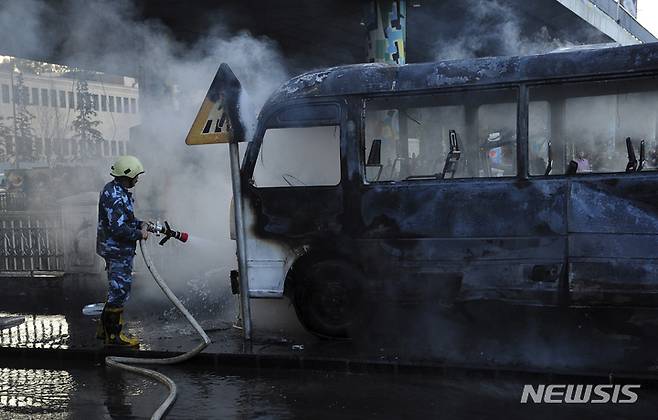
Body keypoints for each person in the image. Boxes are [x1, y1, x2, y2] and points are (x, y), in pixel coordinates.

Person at [96, 155, 149, 347]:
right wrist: (139, 233)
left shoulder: (117, 191)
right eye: (136, 176)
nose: (138, 179)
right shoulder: (116, 196)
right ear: (128, 175)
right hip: (117, 251)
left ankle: (104, 331)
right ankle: (114, 338)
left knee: (115, 290)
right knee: (119, 292)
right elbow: (118, 229)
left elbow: (124, 220)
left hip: (117, 250)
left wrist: (140, 223)